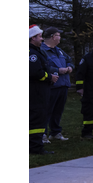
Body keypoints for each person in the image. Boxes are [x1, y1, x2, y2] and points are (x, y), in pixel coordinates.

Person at [41, 27, 74, 142]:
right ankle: (42, 133)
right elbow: (42, 67)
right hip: (51, 85)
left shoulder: (59, 50)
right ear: (52, 37)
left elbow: (70, 60)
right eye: (58, 35)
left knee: (58, 110)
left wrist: (69, 67)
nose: (60, 37)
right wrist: (57, 70)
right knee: (47, 110)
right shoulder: (42, 50)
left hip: (63, 84)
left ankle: (55, 132)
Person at [30, 25, 58, 155]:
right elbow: (36, 73)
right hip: (36, 92)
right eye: (39, 36)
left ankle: (36, 145)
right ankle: (35, 147)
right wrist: (50, 77)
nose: (42, 39)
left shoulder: (36, 51)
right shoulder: (32, 54)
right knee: (36, 120)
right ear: (33, 38)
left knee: (39, 118)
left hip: (40, 92)